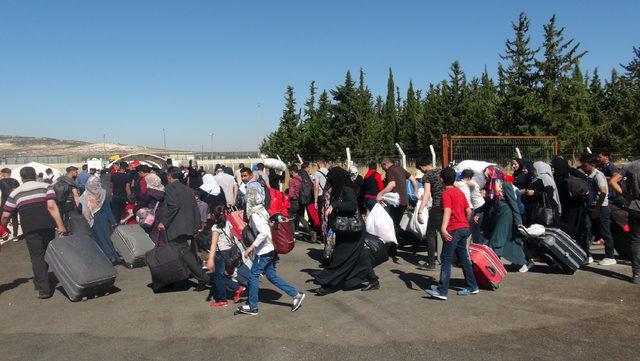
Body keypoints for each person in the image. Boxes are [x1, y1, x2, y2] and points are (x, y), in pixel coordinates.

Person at [236, 184, 306, 316]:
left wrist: (251, 248)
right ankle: (296, 295)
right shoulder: (262, 209)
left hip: (264, 250)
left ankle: (253, 306)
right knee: (271, 276)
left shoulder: (255, 214)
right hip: (271, 248)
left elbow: (263, 232)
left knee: (253, 276)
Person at [1, 166, 66, 299]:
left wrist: (4, 227)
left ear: (21, 178)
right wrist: (60, 225)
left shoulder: (15, 193)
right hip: (47, 224)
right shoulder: (45, 187)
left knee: (37, 256)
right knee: (48, 252)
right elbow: (51, 206)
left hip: (29, 228)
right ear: (35, 175)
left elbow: (6, 215)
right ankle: (46, 279)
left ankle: (43, 289)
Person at [312, 167, 378, 295]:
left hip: (353, 230)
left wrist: (334, 205)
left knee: (340, 257)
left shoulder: (347, 189)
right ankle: (373, 280)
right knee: (359, 256)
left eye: (331, 178)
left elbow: (352, 206)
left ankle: (329, 284)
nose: (329, 180)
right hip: (346, 229)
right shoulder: (339, 189)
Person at [425, 167, 479, 300]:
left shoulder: (446, 193)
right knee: (463, 257)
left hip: (453, 229)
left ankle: (442, 291)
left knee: (446, 259)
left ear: (441, 180)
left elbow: (447, 211)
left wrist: (443, 228)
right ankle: (473, 286)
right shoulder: (459, 192)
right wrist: (463, 224)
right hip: (464, 228)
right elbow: (469, 212)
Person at [159, 166, 210, 291]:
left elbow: (173, 206)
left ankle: (202, 278)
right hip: (188, 225)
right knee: (185, 252)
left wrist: (164, 223)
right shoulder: (188, 189)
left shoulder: (169, 188)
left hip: (176, 227)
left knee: (184, 253)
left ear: (169, 176)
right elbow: (195, 207)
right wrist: (198, 224)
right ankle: (180, 277)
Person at [481, 166, 529, 270]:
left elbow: (513, 203)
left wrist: (518, 221)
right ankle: (523, 261)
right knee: (508, 241)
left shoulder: (506, 185)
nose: (486, 178)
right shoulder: (492, 186)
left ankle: (493, 264)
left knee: (497, 239)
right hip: (499, 215)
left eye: (488, 175)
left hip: (506, 216)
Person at [207, 205, 246, 307]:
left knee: (218, 276)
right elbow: (233, 236)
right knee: (223, 274)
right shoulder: (228, 223)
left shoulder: (215, 228)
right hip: (230, 251)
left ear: (213, 215)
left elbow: (214, 244)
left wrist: (210, 259)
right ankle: (237, 288)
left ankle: (222, 299)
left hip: (221, 254)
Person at [580, 155, 616, 266]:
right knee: (587, 231)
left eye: (585, 165)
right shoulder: (590, 175)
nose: (583, 167)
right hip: (591, 206)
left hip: (601, 208)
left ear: (592, 165)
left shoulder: (598, 175)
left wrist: (597, 208)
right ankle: (587, 255)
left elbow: (603, 191)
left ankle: (610, 256)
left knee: (605, 232)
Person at [78, 176, 120, 264]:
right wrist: (113, 222)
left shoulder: (85, 194)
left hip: (91, 219)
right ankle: (111, 256)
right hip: (103, 218)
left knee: (96, 238)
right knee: (106, 237)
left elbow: (79, 208)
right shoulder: (103, 193)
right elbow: (108, 209)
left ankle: (101, 257)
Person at [610, 160, 640, 283]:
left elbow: (612, 181)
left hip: (635, 207)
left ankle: (637, 274)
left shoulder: (631, 166)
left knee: (635, 241)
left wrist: (626, 195)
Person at [416, 159, 443, 269]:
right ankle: (448, 259)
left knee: (430, 234)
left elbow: (426, 194)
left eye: (420, 169)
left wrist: (420, 210)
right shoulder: (441, 171)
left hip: (436, 206)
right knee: (445, 233)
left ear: (422, 167)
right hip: (448, 205)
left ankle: (431, 262)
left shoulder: (427, 176)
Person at [377, 158, 418, 227]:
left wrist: (380, 194)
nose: (382, 169)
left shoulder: (389, 170)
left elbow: (392, 184)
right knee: (397, 222)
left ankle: (396, 236)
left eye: (382, 166)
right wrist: (415, 191)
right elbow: (413, 179)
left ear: (385, 164)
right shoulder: (400, 168)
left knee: (393, 223)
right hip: (404, 201)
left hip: (396, 202)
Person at [523, 161, 562, 227]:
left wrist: (534, 193)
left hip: (544, 212)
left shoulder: (545, 179)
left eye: (534, 169)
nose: (533, 171)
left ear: (540, 169)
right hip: (536, 210)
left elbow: (549, 195)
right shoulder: (537, 178)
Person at [455, 169, 485, 243]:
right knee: (474, 228)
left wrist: (461, 181)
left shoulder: (472, 182)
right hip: (475, 208)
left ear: (468, 178)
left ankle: (479, 245)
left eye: (464, 178)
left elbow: (470, 184)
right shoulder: (465, 182)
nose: (462, 179)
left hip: (480, 207)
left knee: (475, 229)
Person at [136, 173, 166, 245]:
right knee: (159, 233)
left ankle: (153, 250)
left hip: (151, 214)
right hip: (162, 213)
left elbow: (142, 203)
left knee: (152, 232)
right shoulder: (164, 190)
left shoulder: (150, 192)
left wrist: (134, 210)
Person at [287, 165, 310, 234]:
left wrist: (285, 197)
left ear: (292, 171)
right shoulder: (301, 178)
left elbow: (291, 194)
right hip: (302, 200)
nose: (289, 173)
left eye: (289, 172)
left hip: (294, 201)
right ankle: (311, 231)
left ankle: (292, 235)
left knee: (290, 217)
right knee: (300, 217)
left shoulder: (292, 180)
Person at [0, 168, 21, 237]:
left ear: (3, 173)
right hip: (14, 202)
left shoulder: (1, 181)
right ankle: (15, 235)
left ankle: (4, 233)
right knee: (14, 219)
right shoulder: (15, 181)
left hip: (5, 203)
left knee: (2, 219)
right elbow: (18, 192)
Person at [313, 159, 329, 239]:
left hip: (321, 196)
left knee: (321, 215)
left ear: (319, 164)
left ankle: (323, 235)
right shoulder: (329, 172)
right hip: (329, 196)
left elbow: (316, 187)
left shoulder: (317, 173)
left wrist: (315, 201)